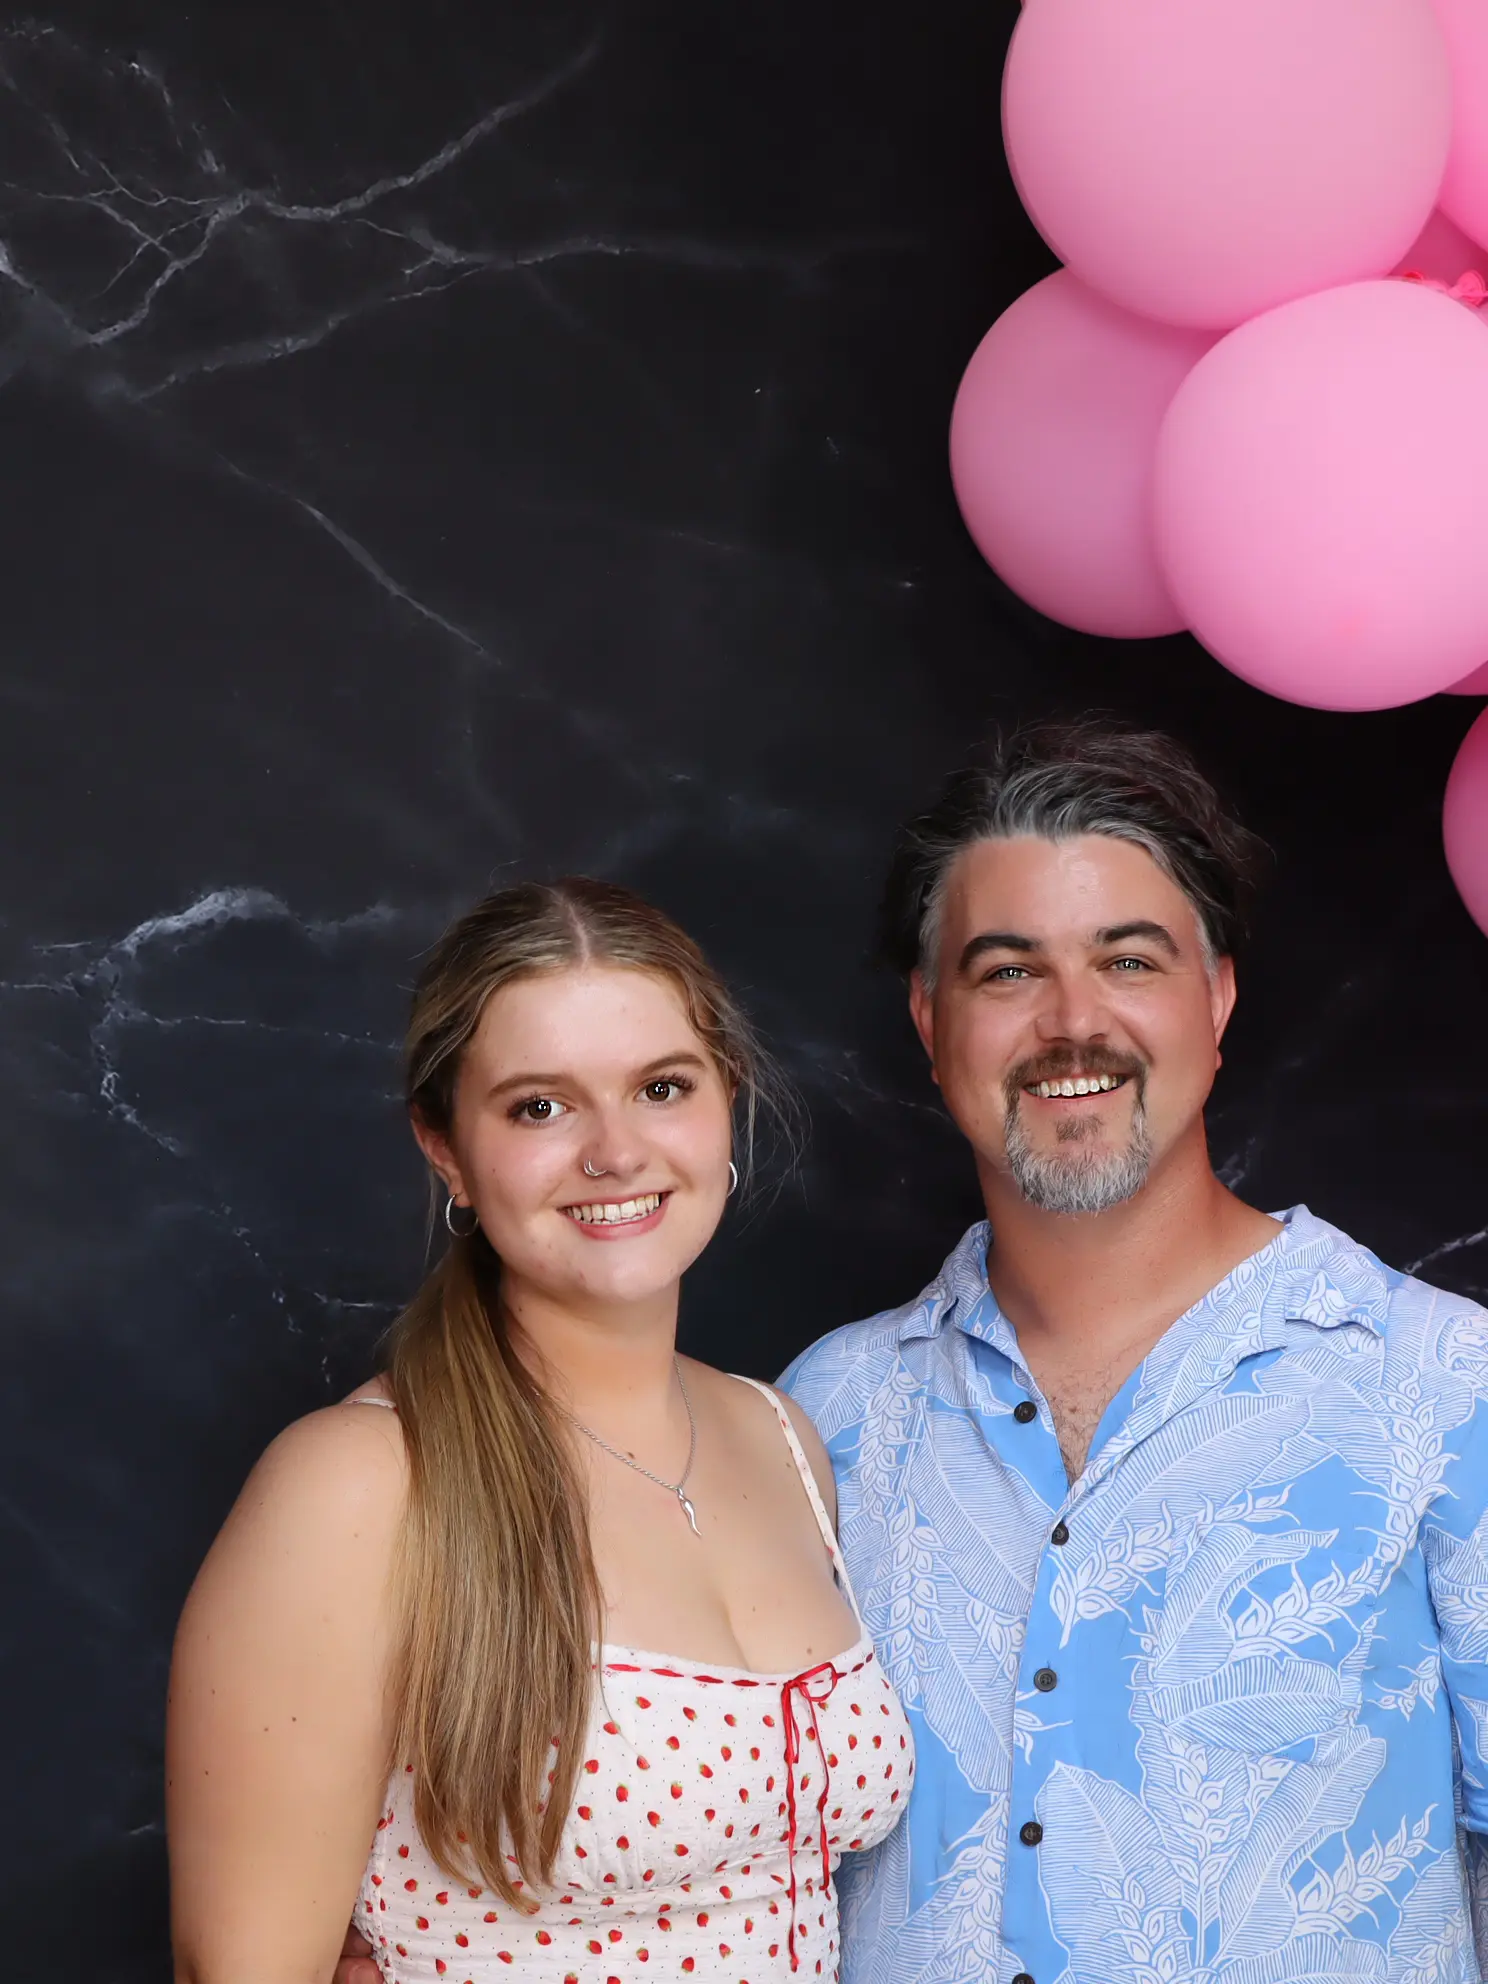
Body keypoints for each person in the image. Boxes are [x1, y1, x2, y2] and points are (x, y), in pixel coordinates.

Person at [775, 720, 1488, 1984]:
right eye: (1007, 971)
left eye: (1129, 959)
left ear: (1216, 999)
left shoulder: (1442, 1386)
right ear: (931, 1020)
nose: (1073, 1021)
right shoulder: (818, 1418)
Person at [167, 877, 912, 1984]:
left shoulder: (783, 1436)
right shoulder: (359, 1486)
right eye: (539, 1108)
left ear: (728, 1100)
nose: (615, 1152)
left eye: (662, 1087)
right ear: (446, 1148)